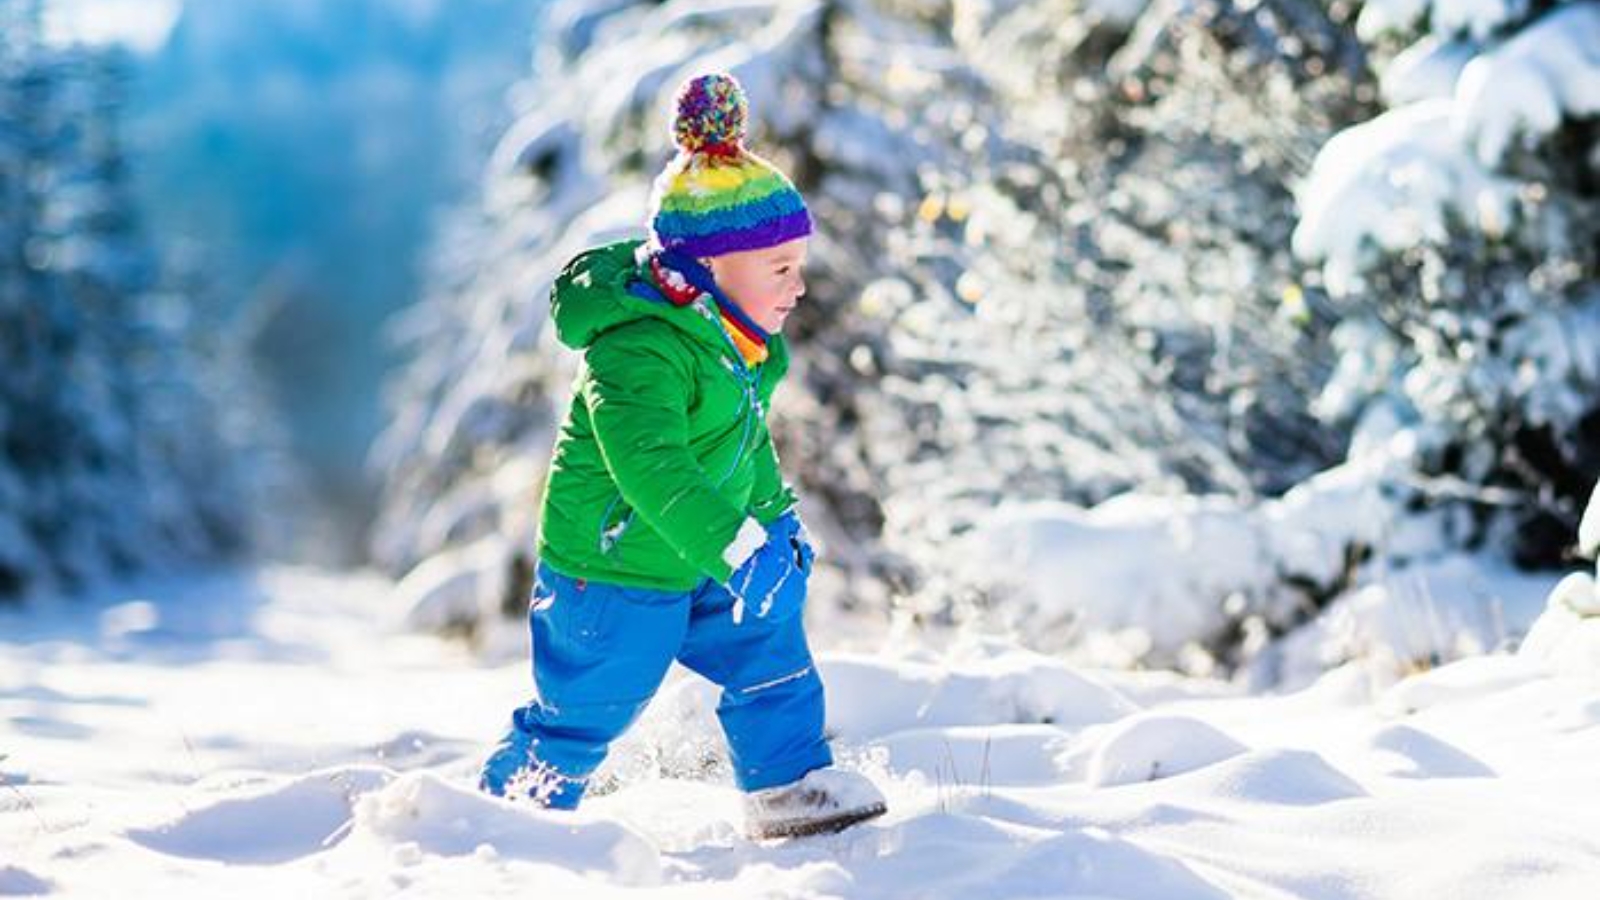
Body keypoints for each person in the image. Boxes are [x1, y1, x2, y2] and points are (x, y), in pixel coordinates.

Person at [479, 71, 887, 840]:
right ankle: (507, 816)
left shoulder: (735, 347)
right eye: (781, 269)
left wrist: (776, 525)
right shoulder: (636, 353)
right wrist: (739, 547)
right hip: (616, 567)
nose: (799, 287)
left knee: (771, 651)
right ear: (708, 270)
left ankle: (787, 785)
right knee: (591, 705)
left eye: (798, 266)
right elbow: (654, 470)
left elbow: (742, 453)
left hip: (704, 555)